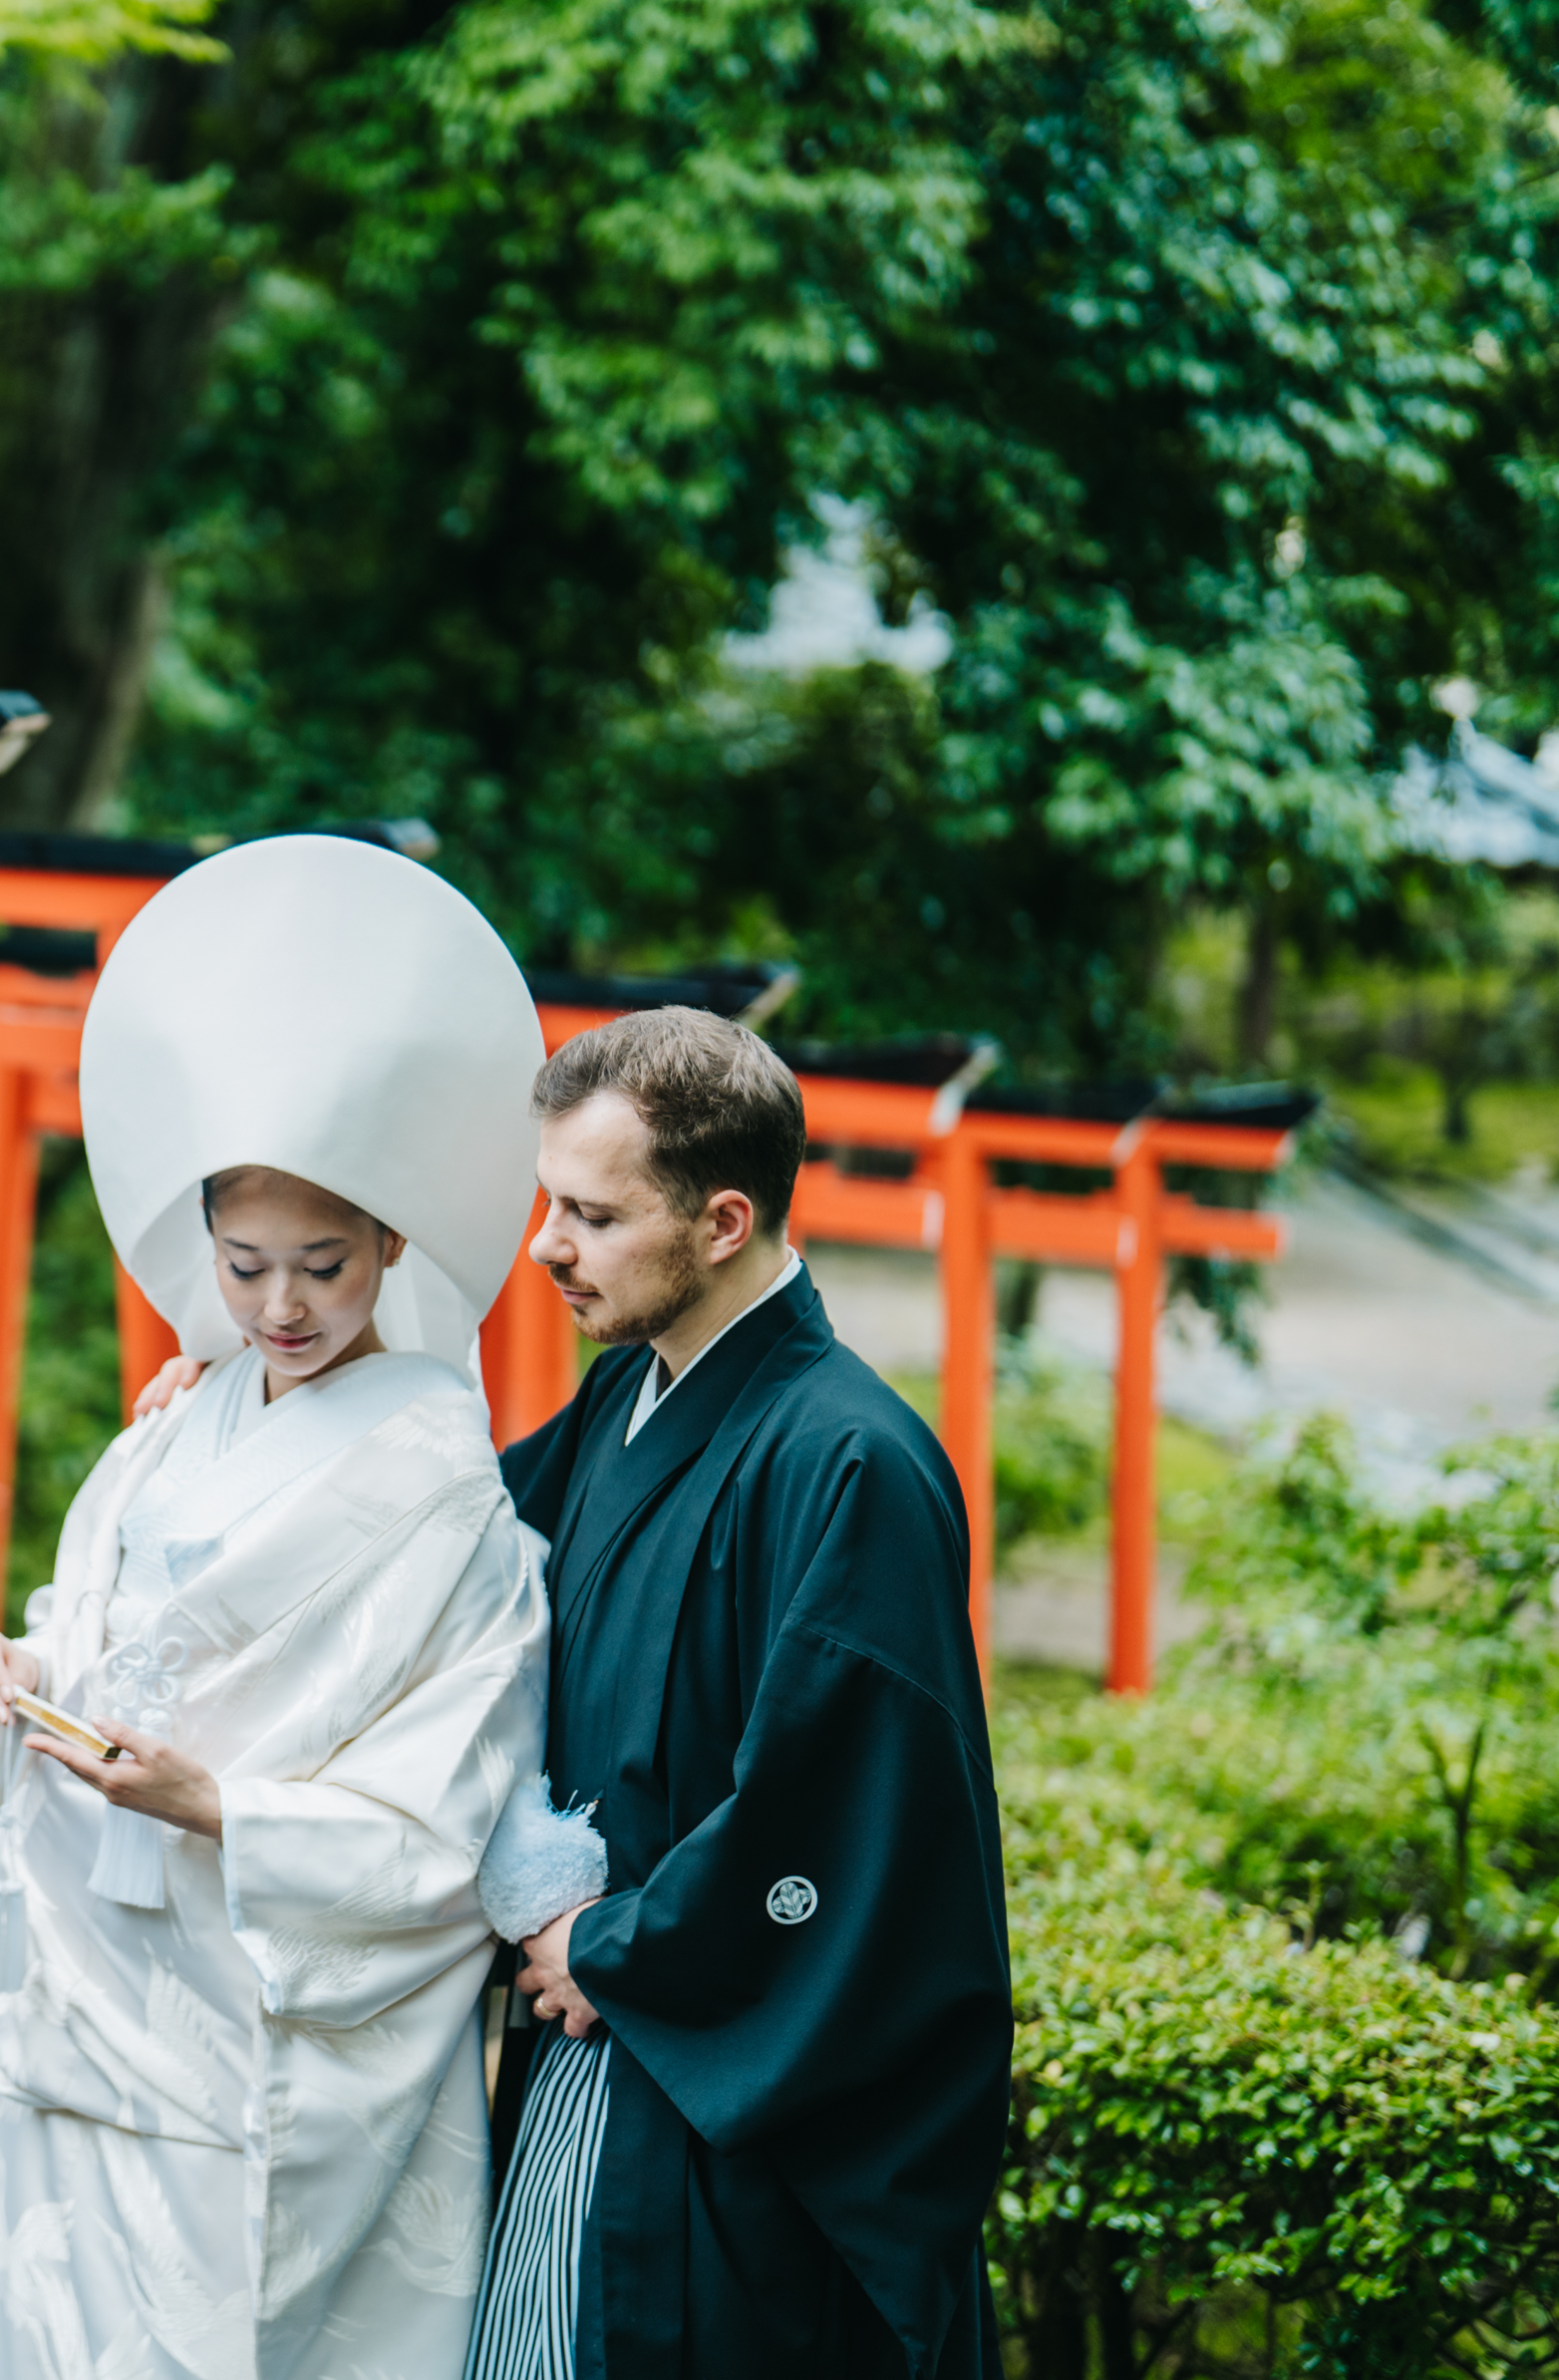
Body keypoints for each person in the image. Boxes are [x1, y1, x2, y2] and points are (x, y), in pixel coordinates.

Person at [0, 835, 556, 2380]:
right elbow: (95, 1616)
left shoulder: (449, 1486)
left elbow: (447, 1790)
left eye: (322, 1264)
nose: (282, 1309)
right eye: (244, 1267)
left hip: (244, 2001)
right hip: (83, 1967)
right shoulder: (181, 1413)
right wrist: (17, 1663)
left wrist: (221, 1805)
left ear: (394, 1242)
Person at [471, 1007, 1011, 2380]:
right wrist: (256, 1401)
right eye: (550, 1203)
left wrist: (625, 1943)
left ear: (720, 1222)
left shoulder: (851, 1465)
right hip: (592, 2033)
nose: (548, 1245)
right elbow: (439, 1551)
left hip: (709, 2095)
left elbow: (848, 1830)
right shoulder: (622, 1403)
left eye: (592, 1214)